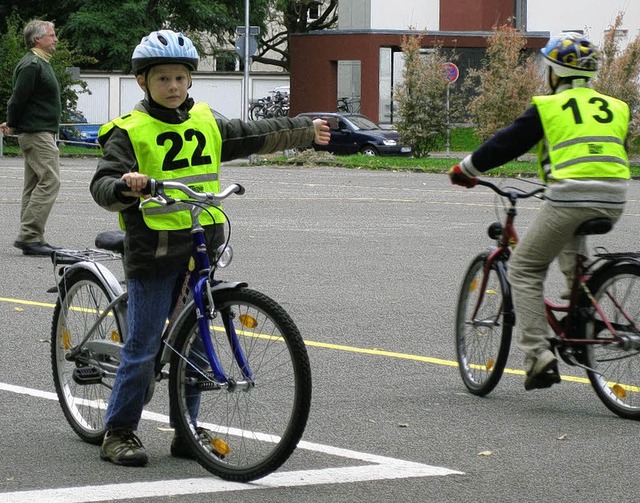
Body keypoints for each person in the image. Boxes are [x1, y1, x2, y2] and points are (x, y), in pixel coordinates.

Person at [90, 29, 330, 467]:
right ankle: (119, 431)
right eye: (162, 78)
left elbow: (252, 133)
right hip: (154, 253)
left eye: (180, 77)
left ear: (190, 81)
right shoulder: (128, 131)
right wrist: (127, 186)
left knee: (197, 347)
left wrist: (303, 130)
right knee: (143, 348)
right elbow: (103, 185)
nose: (173, 86)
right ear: (143, 82)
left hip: (200, 248)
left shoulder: (205, 122)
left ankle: (186, 430)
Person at [449, 33, 630, 391]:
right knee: (569, 236)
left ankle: (538, 356)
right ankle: (580, 305)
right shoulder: (616, 106)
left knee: (525, 267)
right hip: (615, 198)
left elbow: (506, 142)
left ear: (555, 73)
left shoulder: (550, 107)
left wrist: (466, 169)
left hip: (569, 197)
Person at [0, 19, 62, 256]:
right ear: (38, 39)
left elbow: (25, 101)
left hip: (38, 131)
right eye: (52, 35)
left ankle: (33, 237)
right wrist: (14, 124)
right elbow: (17, 99)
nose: (55, 39)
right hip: (37, 134)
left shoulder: (40, 63)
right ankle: (28, 235)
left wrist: (15, 124)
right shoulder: (32, 65)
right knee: (50, 181)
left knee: (34, 184)